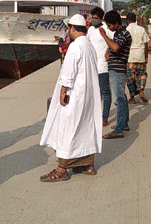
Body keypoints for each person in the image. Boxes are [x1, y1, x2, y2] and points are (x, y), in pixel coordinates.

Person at [39, 14, 102, 181]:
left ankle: (62, 169)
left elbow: (68, 73)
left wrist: (62, 92)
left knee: (69, 128)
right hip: (88, 95)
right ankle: (87, 164)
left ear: (72, 28)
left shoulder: (75, 47)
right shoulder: (89, 45)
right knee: (85, 127)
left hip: (75, 95)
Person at [99, 10, 131, 139]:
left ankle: (119, 129)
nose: (108, 27)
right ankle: (123, 124)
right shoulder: (118, 33)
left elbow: (116, 47)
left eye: (110, 25)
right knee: (122, 98)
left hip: (117, 71)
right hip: (116, 69)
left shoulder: (123, 34)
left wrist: (104, 36)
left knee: (118, 100)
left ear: (116, 23)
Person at [87, 7, 115, 126]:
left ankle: (104, 118)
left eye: (96, 18)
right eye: (92, 18)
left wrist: (110, 53)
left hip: (103, 66)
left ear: (101, 18)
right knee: (95, 93)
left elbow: (115, 43)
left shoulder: (107, 30)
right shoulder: (91, 30)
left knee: (105, 91)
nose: (93, 20)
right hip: (92, 65)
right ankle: (96, 115)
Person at [125, 13, 150, 104]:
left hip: (130, 57)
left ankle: (132, 97)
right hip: (140, 56)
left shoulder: (126, 30)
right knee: (142, 74)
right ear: (135, 20)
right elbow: (146, 44)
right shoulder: (141, 29)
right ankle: (141, 90)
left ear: (127, 20)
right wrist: (146, 56)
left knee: (131, 78)